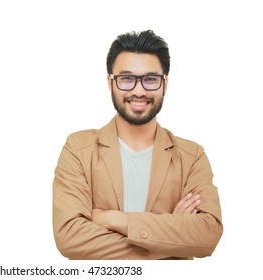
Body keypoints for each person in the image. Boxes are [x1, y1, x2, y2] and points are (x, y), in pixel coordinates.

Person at [52, 30, 223, 260]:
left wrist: (116, 220)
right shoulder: (78, 149)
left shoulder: (191, 157)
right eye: (127, 79)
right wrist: (170, 242)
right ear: (110, 82)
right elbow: (69, 238)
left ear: (165, 83)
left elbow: (207, 235)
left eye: (150, 79)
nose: (139, 90)